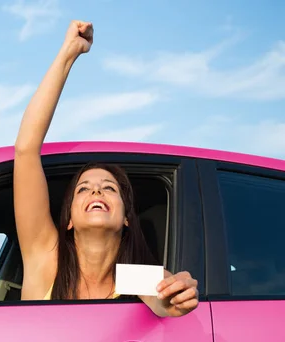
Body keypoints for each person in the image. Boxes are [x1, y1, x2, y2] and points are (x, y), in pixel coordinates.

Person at [13, 20, 199, 317]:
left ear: (126, 217)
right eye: (83, 189)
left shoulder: (134, 277)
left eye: (109, 188)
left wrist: (179, 297)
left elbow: (167, 303)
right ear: (69, 219)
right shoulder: (46, 262)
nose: (96, 189)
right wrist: (68, 53)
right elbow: (25, 150)